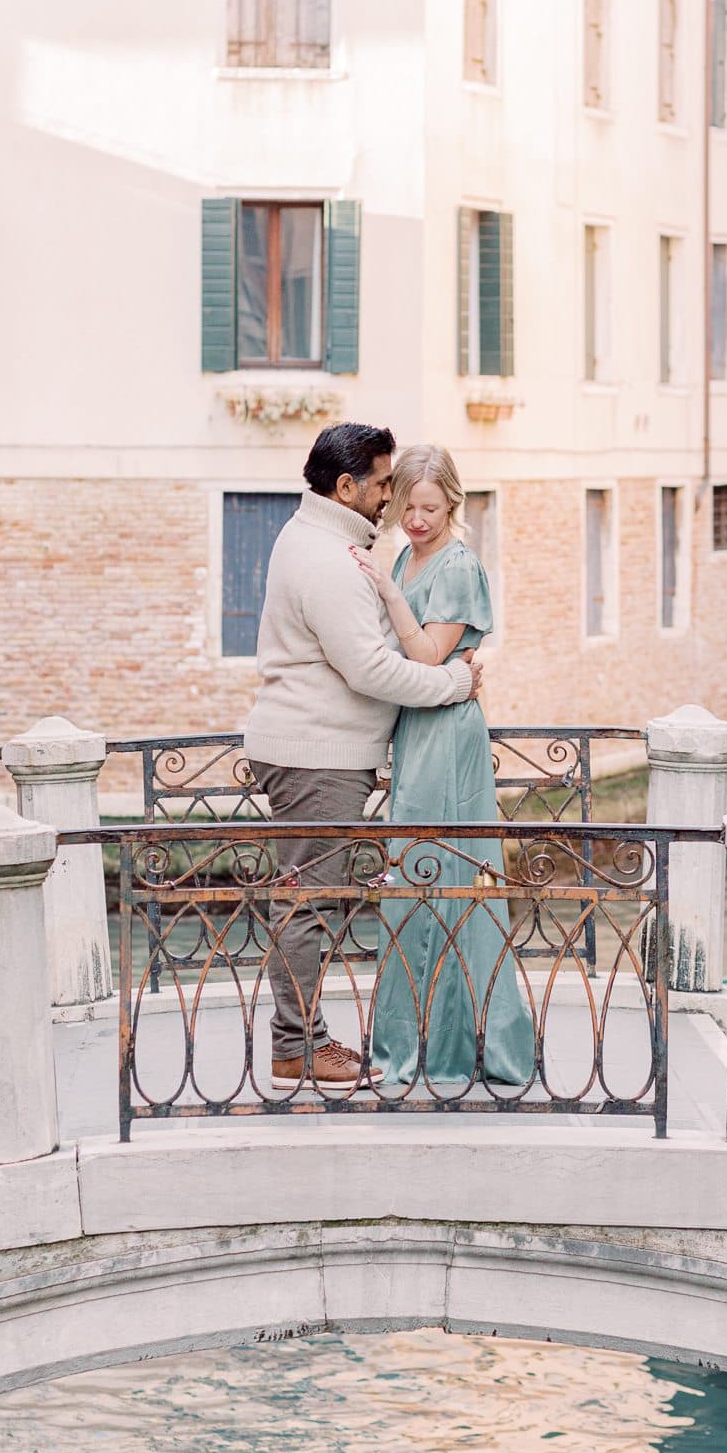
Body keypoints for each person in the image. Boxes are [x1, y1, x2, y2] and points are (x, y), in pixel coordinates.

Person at [244, 423, 483, 1092]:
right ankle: (299, 1047)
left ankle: (302, 1040)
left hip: (319, 751)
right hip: (314, 756)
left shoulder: (323, 543)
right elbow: (370, 669)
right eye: (381, 481)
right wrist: (453, 684)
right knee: (305, 902)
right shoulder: (326, 559)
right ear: (346, 487)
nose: (391, 495)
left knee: (305, 898)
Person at [350, 444, 536, 1088]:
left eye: (428, 506)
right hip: (417, 728)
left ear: (452, 502)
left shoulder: (457, 567)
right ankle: (421, 1040)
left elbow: (428, 653)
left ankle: (462, 1041)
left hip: (448, 734)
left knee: (447, 872)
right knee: (414, 880)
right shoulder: (405, 556)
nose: (416, 518)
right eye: (405, 505)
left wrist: (380, 587)